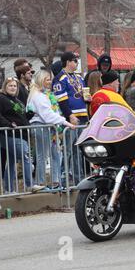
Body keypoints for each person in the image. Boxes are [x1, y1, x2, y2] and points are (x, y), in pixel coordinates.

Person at [0, 77, 45, 193]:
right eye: (10, 85)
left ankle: (8, 189)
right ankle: (30, 184)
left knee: (11, 162)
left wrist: (29, 115)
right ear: (5, 86)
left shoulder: (17, 100)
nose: (13, 88)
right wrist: (7, 124)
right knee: (25, 156)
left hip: (21, 134)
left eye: (15, 86)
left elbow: (21, 117)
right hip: (9, 134)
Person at [27, 70, 76, 189]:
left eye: (50, 79)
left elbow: (52, 112)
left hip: (50, 127)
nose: (50, 82)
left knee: (56, 154)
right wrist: (65, 122)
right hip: (41, 126)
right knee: (42, 156)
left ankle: (56, 181)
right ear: (41, 80)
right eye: (47, 79)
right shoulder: (37, 96)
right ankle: (40, 184)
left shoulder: (44, 95)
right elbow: (47, 114)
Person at [53, 51, 89, 186]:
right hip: (71, 118)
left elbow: (84, 94)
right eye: (75, 60)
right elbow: (61, 100)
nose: (77, 63)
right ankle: (62, 179)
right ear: (68, 62)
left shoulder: (79, 78)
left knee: (78, 150)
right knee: (67, 150)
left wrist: (88, 100)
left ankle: (79, 179)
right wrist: (69, 115)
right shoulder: (60, 78)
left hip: (83, 116)